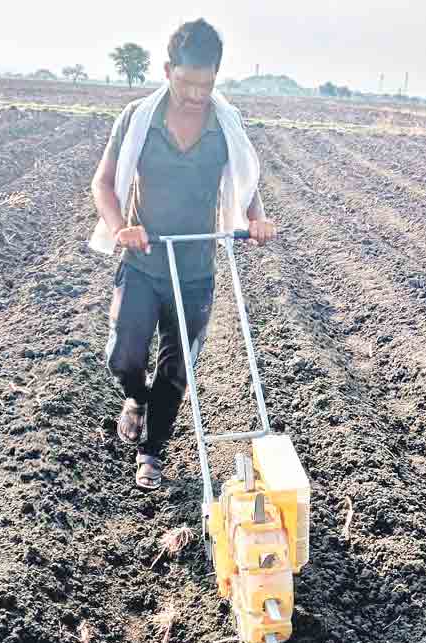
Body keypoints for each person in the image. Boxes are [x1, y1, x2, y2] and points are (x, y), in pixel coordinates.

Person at [90, 18, 276, 490]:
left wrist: (255, 218)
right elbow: (104, 183)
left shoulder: (225, 123)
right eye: (187, 82)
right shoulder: (138, 118)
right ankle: (134, 398)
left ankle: (152, 452)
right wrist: (120, 228)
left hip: (195, 268)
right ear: (168, 68)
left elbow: (245, 183)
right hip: (142, 262)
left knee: (178, 367)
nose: (196, 94)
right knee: (124, 356)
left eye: (206, 84)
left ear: (216, 75)